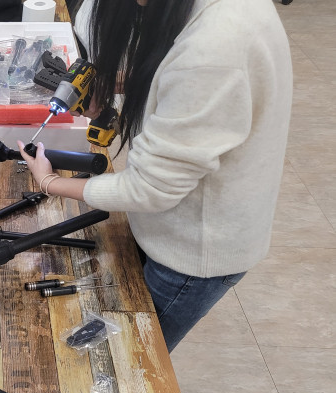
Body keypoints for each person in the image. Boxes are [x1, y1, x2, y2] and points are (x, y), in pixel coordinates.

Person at [18, 0, 293, 351]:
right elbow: (178, 79)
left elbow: (149, 188)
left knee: (127, 357)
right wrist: (119, 83)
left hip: (193, 250)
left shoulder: (216, 48)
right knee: (114, 334)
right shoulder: (204, 22)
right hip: (172, 220)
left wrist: (50, 182)